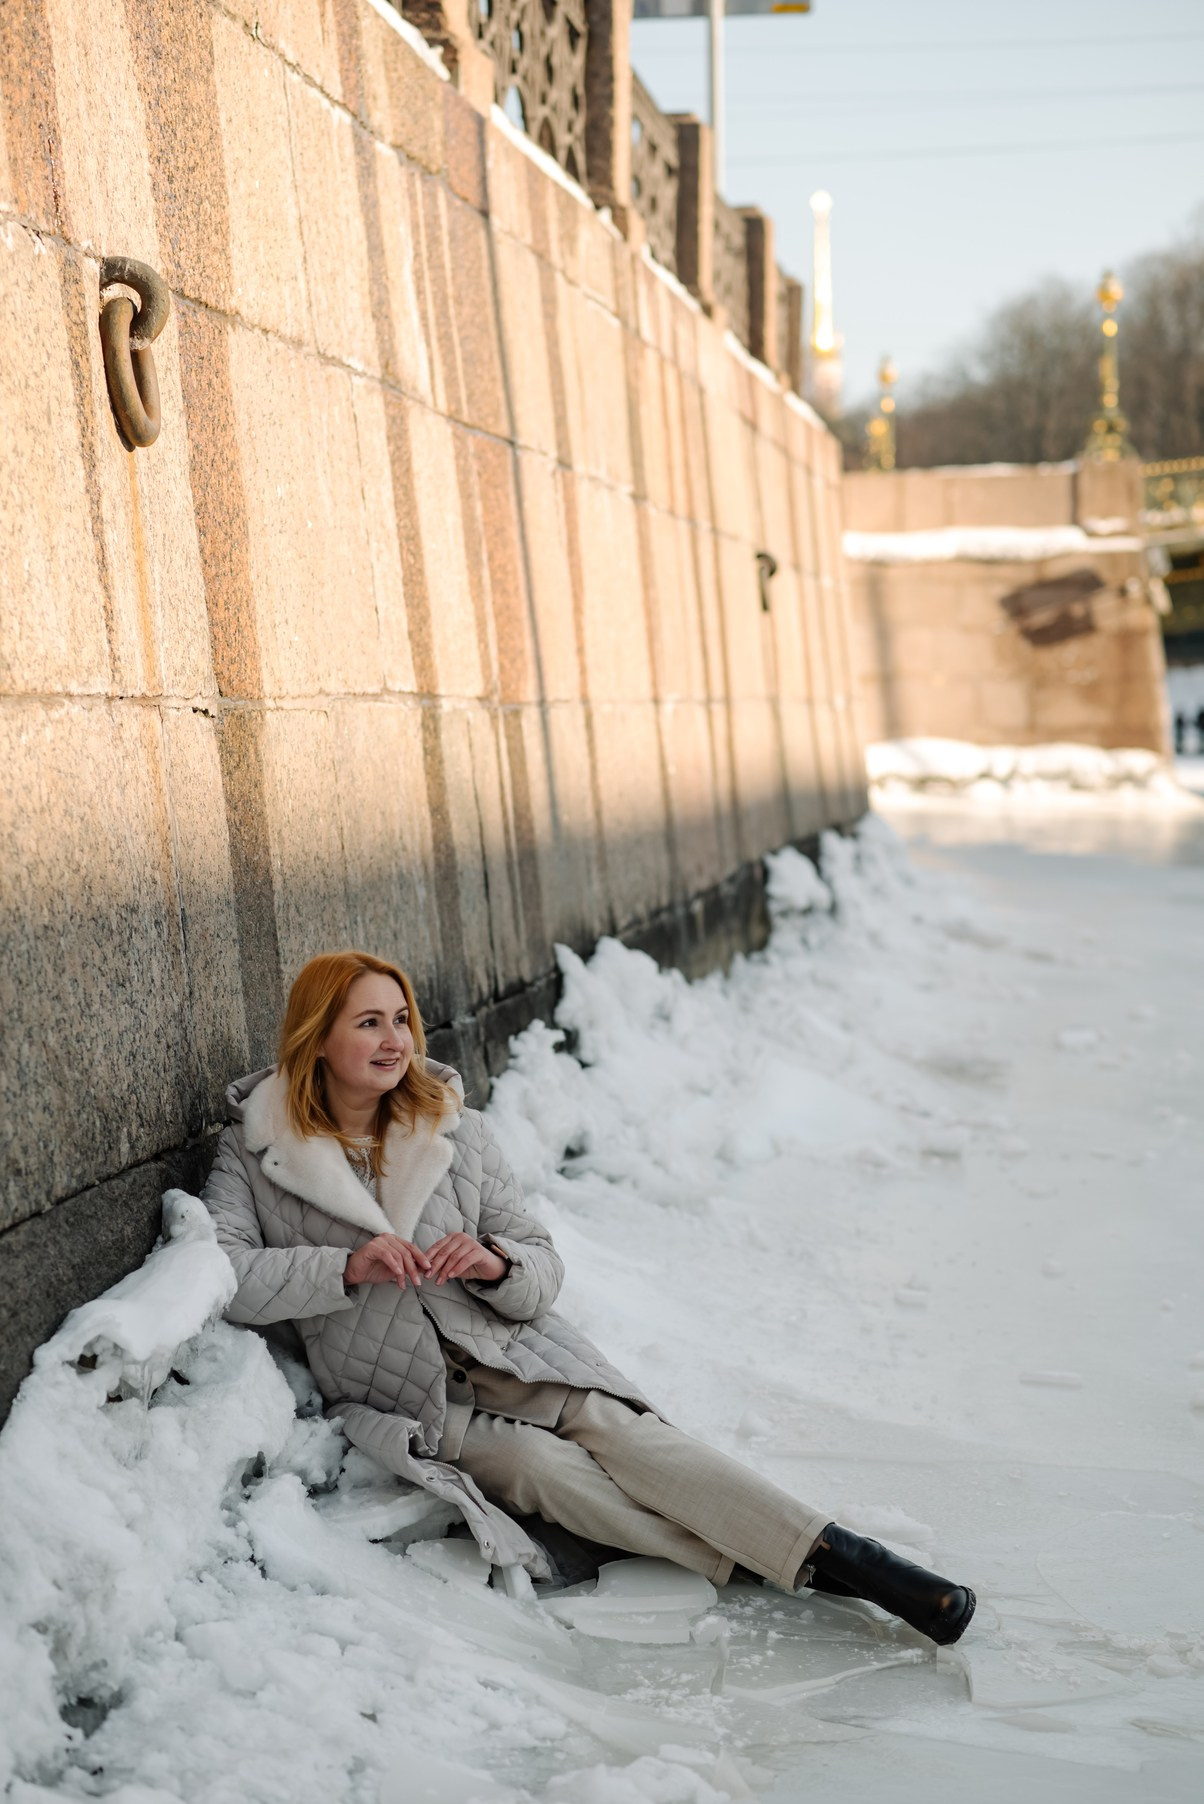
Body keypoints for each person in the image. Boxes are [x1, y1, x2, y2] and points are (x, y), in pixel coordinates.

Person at [203, 949, 975, 1645]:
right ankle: (768, 1562)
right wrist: (345, 1267)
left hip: (517, 1354)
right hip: (410, 1398)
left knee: (638, 1443)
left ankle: (853, 1559)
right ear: (318, 1036)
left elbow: (541, 1260)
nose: (395, 1040)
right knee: (540, 1468)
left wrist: (495, 1265)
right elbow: (229, 1275)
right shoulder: (255, 1150)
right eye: (369, 1022)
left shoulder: (454, 1130)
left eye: (401, 1019)